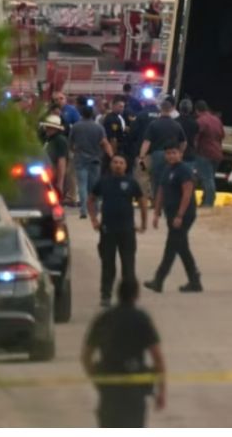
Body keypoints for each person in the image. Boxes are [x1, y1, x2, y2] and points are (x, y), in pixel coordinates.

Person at [82, 278, 166, 428]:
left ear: (117, 294)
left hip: (109, 392)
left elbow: (86, 356)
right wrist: (162, 392)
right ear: (137, 295)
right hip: (134, 393)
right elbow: (158, 359)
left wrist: (97, 379)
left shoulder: (104, 318)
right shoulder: (141, 319)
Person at [88, 155, 147, 307]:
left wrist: (143, 223)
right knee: (108, 265)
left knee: (128, 265)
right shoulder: (103, 181)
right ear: (111, 165)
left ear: (126, 166)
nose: (118, 165)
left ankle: (129, 298)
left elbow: (142, 201)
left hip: (127, 230)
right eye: (115, 162)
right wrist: (94, 219)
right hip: (107, 230)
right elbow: (91, 200)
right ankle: (105, 295)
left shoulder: (131, 182)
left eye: (121, 163)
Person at [143, 142, 203, 293]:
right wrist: (156, 213)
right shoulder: (167, 169)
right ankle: (194, 280)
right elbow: (161, 192)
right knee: (181, 247)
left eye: (174, 153)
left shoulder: (184, 170)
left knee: (171, 246)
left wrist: (180, 215)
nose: (171, 156)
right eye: (168, 153)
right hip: (171, 214)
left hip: (183, 214)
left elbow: (187, 194)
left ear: (180, 154)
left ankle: (159, 280)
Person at [69, 106, 113, 219]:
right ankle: (95, 209)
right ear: (92, 114)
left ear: (82, 114)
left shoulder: (76, 126)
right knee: (94, 186)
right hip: (95, 159)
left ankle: (83, 210)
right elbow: (105, 143)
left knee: (82, 185)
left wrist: (74, 151)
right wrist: (111, 156)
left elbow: (70, 143)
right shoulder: (98, 127)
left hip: (80, 159)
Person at [139, 97, 186, 199]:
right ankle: (167, 200)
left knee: (156, 178)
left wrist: (141, 157)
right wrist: (180, 153)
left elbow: (147, 142)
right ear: (171, 110)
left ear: (160, 109)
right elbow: (184, 142)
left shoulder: (154, 124)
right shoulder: (176, 124)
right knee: (169, 177)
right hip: (172, 155)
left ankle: (156, 201)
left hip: (157, 155)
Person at [194, 100, 224, 207]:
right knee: (210, 177)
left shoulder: (200, 121)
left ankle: (209, 203)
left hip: (205, 153)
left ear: (197, 111)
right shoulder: (217, 120)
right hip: (217, 153)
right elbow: (221, 135)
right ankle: (205, 200)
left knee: (207, 179)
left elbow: (196, 138)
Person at [40, 114, 69, 197]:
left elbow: (62, 161)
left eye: (49, 128)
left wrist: (60, 182)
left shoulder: (60, 140)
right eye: (47, 127)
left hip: (54, 174)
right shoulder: (47, 139)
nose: (47, 129)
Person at [102, 96, 129, 168]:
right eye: (120, 106)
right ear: (113, 106)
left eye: (123, 107)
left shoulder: (118, 117)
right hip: (113, 149)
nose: (122, 109)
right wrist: (113, 154)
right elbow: (113, 138)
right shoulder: (112, 119)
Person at [176, 99, 199, 166]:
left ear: (179, 108)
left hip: (176, 153)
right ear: (191, 109)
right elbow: (196, 140)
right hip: (190, 153)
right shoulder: (195, 123)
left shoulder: (175, 122)